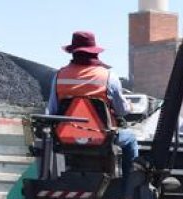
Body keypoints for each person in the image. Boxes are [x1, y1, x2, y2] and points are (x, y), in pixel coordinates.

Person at [49, 31, 138, 177]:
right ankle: (129, 184)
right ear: (94, 52)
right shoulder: (108, 77)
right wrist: (130, 106)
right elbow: (122, 111)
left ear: (73, 52)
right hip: (103, 139)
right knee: (131, 139)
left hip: (66, 139)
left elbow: (52, 112)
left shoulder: (59, 76)